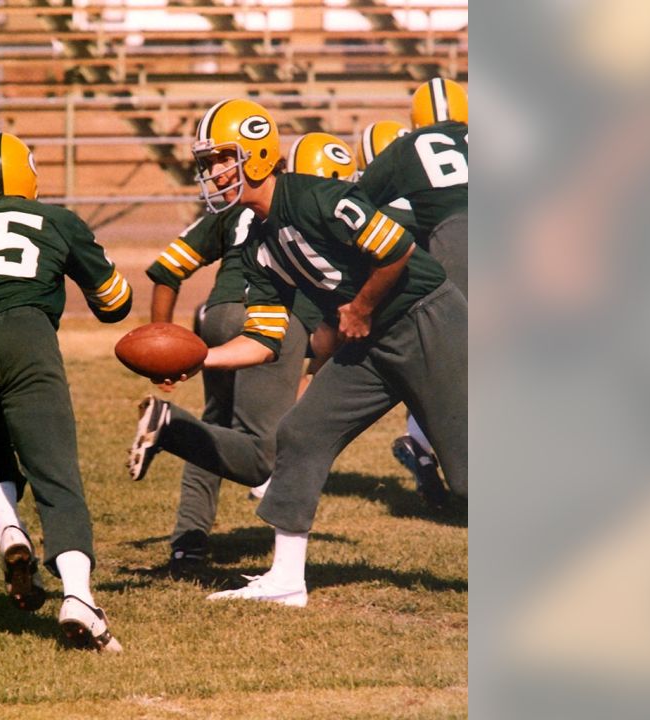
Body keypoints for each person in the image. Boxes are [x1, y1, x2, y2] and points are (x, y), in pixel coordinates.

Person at [128, 100, 467, 606]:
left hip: (427, 319)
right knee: (301, 431)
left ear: (259, 155)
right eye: (208, 163)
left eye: (222, 159)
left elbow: (394, 248)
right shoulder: (258, 245)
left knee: (467, 478)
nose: (213, 172)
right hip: (373, 338)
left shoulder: (314, 197)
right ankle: (287, 578)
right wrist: (199, 359)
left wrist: (360, 308)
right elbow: (264, 341)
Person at [140, 133, 350, 574]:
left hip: (216, 314)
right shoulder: (322, 214)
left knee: (215, 427)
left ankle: (188, 542)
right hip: (271, 323)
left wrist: (162, 337)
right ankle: (169, 427)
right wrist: (314, 370)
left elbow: (168, 267)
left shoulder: (242, 205)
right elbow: (332, 326)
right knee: (263, 455)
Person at [0, 131, 131, 650]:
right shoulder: (57, 220)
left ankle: (8, 527)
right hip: (28, 336)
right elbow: (115, 301)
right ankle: (78, 597)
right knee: (56, 475)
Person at [357, 78, 470, 500]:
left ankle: (421, 443)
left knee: (436, 365)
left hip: (417, 276)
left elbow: (357, 203)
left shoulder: (406, 152)